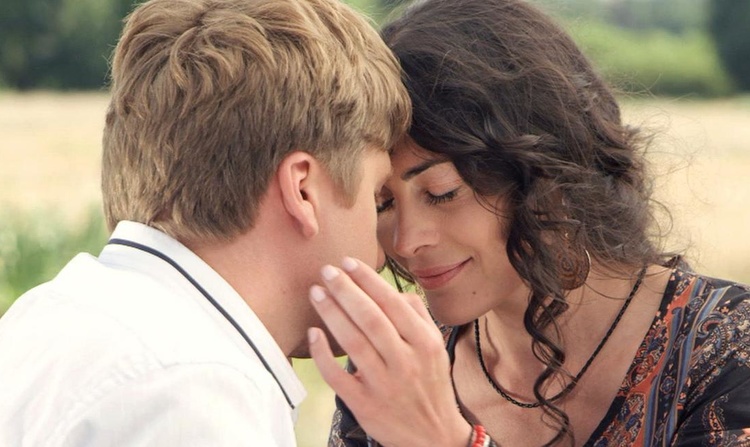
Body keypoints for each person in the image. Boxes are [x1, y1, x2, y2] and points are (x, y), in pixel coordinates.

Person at [305, 0, 750, 445]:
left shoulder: (726, 348)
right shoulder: (398, 367)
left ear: (547, 170)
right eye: (382, 203)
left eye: (443, 192)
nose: (405, 242)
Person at [0, 0, 410, 445]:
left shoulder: (50, 312)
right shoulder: (194, 391)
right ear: (303, 190)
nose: (386, 250)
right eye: (378, 199)